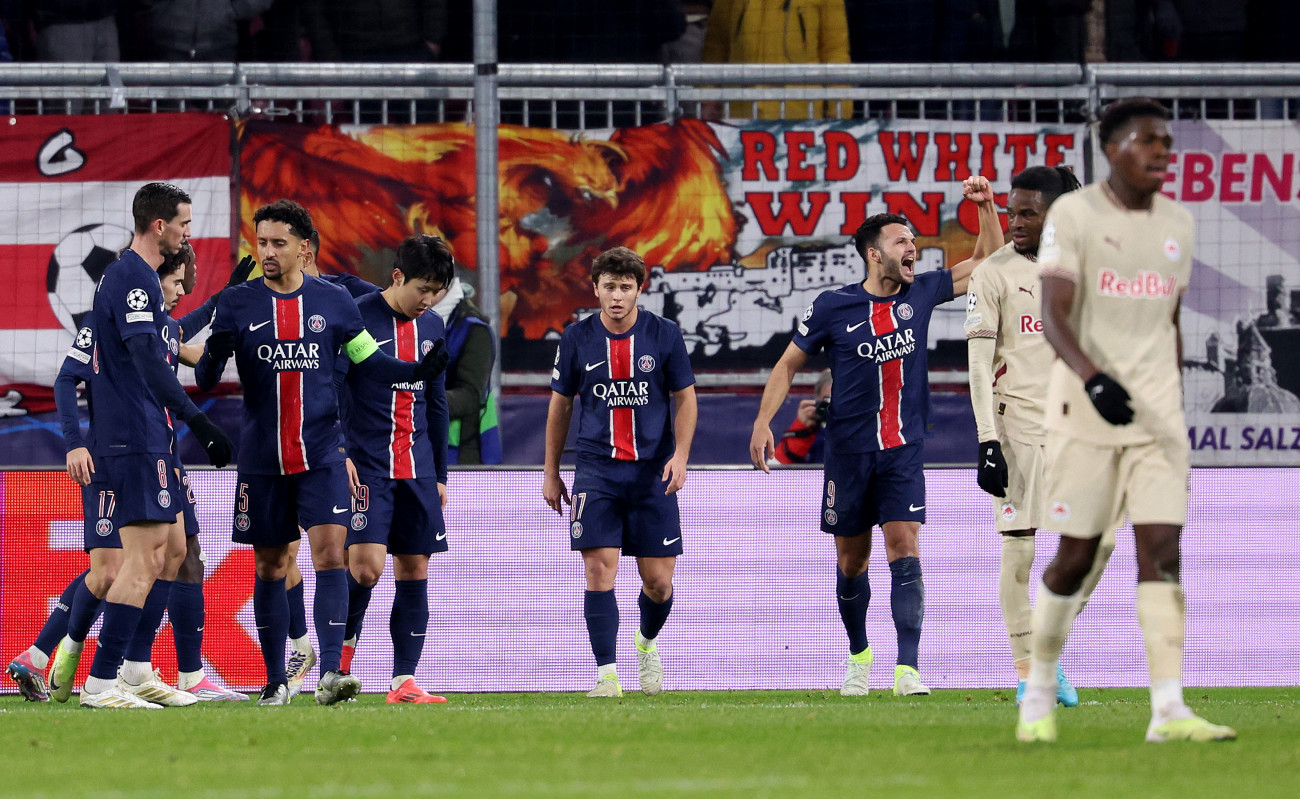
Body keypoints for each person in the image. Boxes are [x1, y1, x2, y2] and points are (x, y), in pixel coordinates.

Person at [1015, 98, 1235, 743]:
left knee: (1163, 552)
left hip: (1155, 415)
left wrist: (1172, 401)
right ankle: (1038, 690)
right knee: (1075, 556)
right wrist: (1093, 378)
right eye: (1147, 140)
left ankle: (1168, 710)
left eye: (1167, 141)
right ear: (1113, 150)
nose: (1162, 150)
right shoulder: (1074, 216)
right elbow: (1054, 313)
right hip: (1085, 409)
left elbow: (1170, 320)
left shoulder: (1178, 223)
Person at [195, 199, 449, 706]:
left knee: (333, 556)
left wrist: (416, 373)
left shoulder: (334, 302)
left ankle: (332, 672)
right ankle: (274, 681)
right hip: (264, 459)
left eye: (278, 243)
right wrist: (217, 342)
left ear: (303, 248)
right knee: (270, 566)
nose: (268, 252)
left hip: (322, 456)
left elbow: (369, 362)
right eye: (262, 242)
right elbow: (204, 379)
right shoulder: (239, 303)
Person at [749, 198, 989, 698]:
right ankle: (859, 654)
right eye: (902, 241)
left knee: (904, 546)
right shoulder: (831, 306)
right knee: (851, 563)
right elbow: (788, 364)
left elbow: (988, 261)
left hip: (903, 448)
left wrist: (986, 207)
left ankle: (908, 669)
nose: (913, 248)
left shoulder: (923, 291)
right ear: (874, 254)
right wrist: (763, 421)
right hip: (848, 453)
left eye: (913, 240)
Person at [50, 182, 234, 709]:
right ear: (160, 226)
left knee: (173, 551)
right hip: (132, 438)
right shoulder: (132, 277)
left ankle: (136, 670)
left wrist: (223, 299)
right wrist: (199, 420)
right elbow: (152, 362)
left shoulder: (142, 282)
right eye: (184, 224)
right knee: (138, 560)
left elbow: (170, 338)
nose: (188, 233)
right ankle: (100, 683)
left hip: (152, 438)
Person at [965, 166, 1118, 707]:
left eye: (1028, 213)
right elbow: (979, 364)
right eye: (1012, 212)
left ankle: (1049, 648)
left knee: (1102, 541)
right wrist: (987, 440)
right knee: (1020, 547)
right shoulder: (993, 274)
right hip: (1019, 428)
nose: (1016, 222)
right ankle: (1029, 668)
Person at [543, 246, 697, 698]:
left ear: (638, 290)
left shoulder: (664, 333)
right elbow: (560, 405)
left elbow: (685, 398)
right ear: (595, 289)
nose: (616, 296)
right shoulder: (576, 337)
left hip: (652, 473)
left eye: (625, 287)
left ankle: (646, 642)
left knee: (659, 583)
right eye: (609, 287)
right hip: (597, 471)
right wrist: (551, 471)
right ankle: (606, 675)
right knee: (598, 570)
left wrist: (681, 455)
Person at [339, 235, 453, 704]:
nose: (429, 300)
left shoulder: (435, 326)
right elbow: (333, 387)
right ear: (398, 276)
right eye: (423, 289)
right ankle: (338, 665)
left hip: (417, 466)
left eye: (438, 291)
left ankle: (403, 680)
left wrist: (441, 474)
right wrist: (340, 449)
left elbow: (437, 403)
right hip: (367, 464)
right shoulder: (356, 317)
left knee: (414, 567)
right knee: (366, 568)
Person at [701, 0, 850, 119]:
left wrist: (839, 111)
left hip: (800, 118)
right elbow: (716, 45)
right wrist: (708, 98)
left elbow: (835, 51)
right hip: (739, 115)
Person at [430, 274, 500, 465]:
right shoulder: (406, 320)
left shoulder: (475, 329)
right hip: (418, 447)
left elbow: (471, 395)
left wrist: (418, 399)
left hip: (460, 452)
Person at [773, 369, 832, 465]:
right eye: (828, 401)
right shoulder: (810, 432)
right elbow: (772, 470)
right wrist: (802, 428)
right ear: (818, 401)